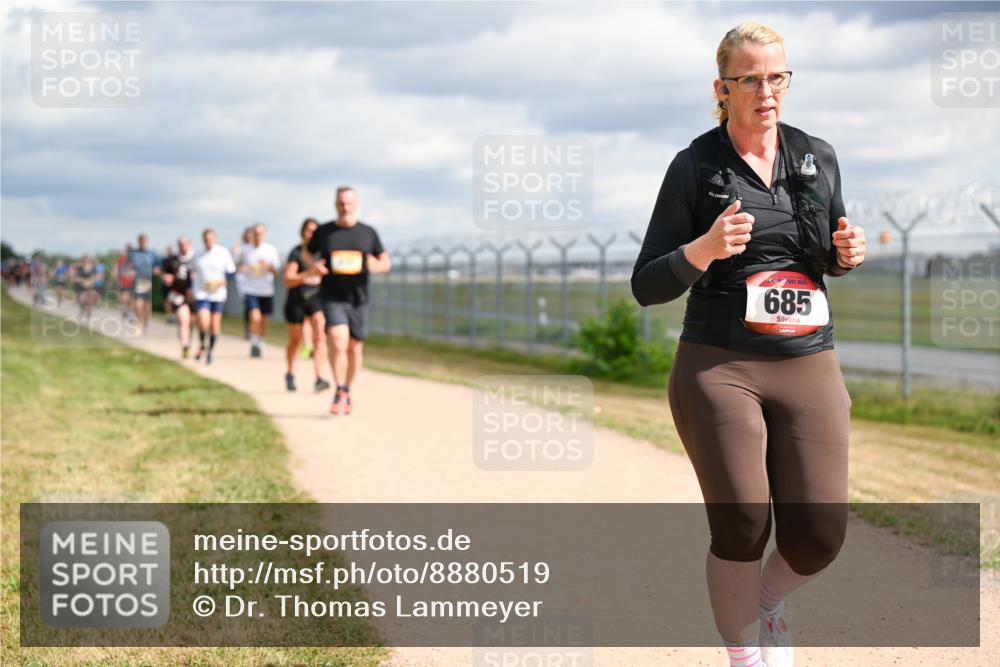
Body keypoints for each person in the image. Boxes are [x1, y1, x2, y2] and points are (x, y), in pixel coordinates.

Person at [631, 22, 866, 667]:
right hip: (720, 363)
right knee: (742, 522)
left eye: (778, 77)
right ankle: (744, 652)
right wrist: (703, 250)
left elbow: (825, 248)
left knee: (819, 535)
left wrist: (846, 256)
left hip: (807, 359)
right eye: (752, 79)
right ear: (723, 87)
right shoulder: (696, 165)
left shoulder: (817, 155)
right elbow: (646, 284)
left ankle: (767, 601)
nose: (767, 91)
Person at [307, 186, 391, 415]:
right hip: (332, 296)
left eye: (349, 203)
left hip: (359, 298)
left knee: (354, 348)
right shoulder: (324, 231)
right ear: (335, 204)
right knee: (338, 339)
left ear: (356, 204)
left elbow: (385, 261)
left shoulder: (368, 232)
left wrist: (378, 266)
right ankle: (339, 389)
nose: (345, 207)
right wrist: (313, 266)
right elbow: (307, 252)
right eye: (341, 203)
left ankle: (348, 389)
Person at [283, 218, 330, 392]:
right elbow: (288, 279)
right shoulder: (296, 253)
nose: (312, 235)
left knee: (320, 334)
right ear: (302, 232)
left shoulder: (323, 253)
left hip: (316, 298)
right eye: (309, 231)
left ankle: (319, 377)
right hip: (297, 299)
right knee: (296, 340)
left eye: (315, 231)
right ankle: (290, 373)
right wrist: (310, 273)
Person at [190, 228, 236, 364]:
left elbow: (231, 271)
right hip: (202, 292)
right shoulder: (198, 254)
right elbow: (190, 271)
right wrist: (190, 288)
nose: (208, 242)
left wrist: (223, 281)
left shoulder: (223, 253)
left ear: (215, 239)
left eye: (210, 239)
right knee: (204, 322)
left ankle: (210, 351)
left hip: (218, 294)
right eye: (205, 240)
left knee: (215, 324)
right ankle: (203, 344)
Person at [238, 223, 281, 358]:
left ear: (264, 234)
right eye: (255, 233)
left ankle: (261, 343)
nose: (258, 236)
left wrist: (268, 266)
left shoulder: (271, 250)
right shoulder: (245, 250)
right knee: (254, 317)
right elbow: (239, 266)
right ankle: (254, 342)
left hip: (266, 290)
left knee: (263, 320)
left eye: (260, 233)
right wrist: (243, 268)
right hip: (250, 289)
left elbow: (276, 272)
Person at [161, 236, 196, 358]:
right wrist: (166, 278)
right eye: (181, 244)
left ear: (189, 244)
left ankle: (188, 343)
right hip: (178, 295)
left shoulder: (196, 258)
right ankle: (185, 345)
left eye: (185, 244)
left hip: (194, 295)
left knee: (191, 322)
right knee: (183, 320)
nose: (183, 246)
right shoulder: (172, 260)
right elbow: (164, 273)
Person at [129, 234, 159, 334]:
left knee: (146, 305)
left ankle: (145, 324)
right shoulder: (134, 254)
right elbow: (129, 266)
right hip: (138, 281)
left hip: (149, 281)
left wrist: (157, 270)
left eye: (144, 241)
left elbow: (158, 265)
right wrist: (130, 271)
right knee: (138, 303)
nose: (142, 242)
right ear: (138, 241)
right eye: (141, 241)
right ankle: (139, 323)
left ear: (147, 241)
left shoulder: (152, 254)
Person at [232, 226, 255, 340]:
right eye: (248, 234)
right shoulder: (242, 246)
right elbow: (234, 253)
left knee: (253, 307)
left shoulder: (256, 247)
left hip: (255, 280)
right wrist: (239, 243)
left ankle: (253, 329)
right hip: (243, 279)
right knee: (248, 304)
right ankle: (248, 328)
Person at [73, 255, 100, 322]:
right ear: (84, 261)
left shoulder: (93, 268)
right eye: (86, 260)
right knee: (80, 301)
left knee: (90, 302)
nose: (88, 261)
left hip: (90, 287)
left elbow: (95, 277)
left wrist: (92, 281)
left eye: (89, 260)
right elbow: (76, 277)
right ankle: (82, 309)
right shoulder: (80, 268)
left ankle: (88, 315)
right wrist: (82, 281)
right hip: (81, 287)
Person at [115, 243, 135, 321]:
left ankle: (129, 312)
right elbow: (116, 268)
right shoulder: (121, 259)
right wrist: (117, 279)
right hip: (123, 282)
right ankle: (126, 310)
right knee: (124, 298)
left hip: (132, 282)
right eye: (128, 250)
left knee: (132, 298)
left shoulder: (134, 260)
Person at [161, 244, 178, 324]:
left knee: (175, 300)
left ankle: (175, 316)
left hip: (175, 284)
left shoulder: (177, 259)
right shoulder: (164, 260)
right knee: (167, 300)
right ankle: (169, 316)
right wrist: (165, 278)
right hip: (166, 284)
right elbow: (162, 271)